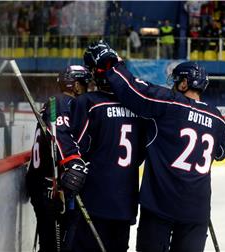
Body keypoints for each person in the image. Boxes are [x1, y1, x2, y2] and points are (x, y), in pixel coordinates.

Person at [93, 41, 225, 251]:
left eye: (176, 81)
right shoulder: (217, 117)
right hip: (197, 210)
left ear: (184, 84)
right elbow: (223, 150)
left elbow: (134, 91)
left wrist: (113, 64)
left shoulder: (170, 103)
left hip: (161, 205)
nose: (172, 85)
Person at [66, 41, 146, 252]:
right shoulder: (139, 109)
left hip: (95, 200)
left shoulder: (89, 103)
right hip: (126, 202)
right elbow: (140, 155)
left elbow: (76, 147)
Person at [26, 65, 93, 252]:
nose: (88, 89)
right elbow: (60, 137)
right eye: (86, 85)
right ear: (76, 86)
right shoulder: (62, 103)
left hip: (44, 184)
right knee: (54, 246)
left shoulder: (55, 103)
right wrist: (74, 163)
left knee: (54, 244)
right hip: (50, 186)